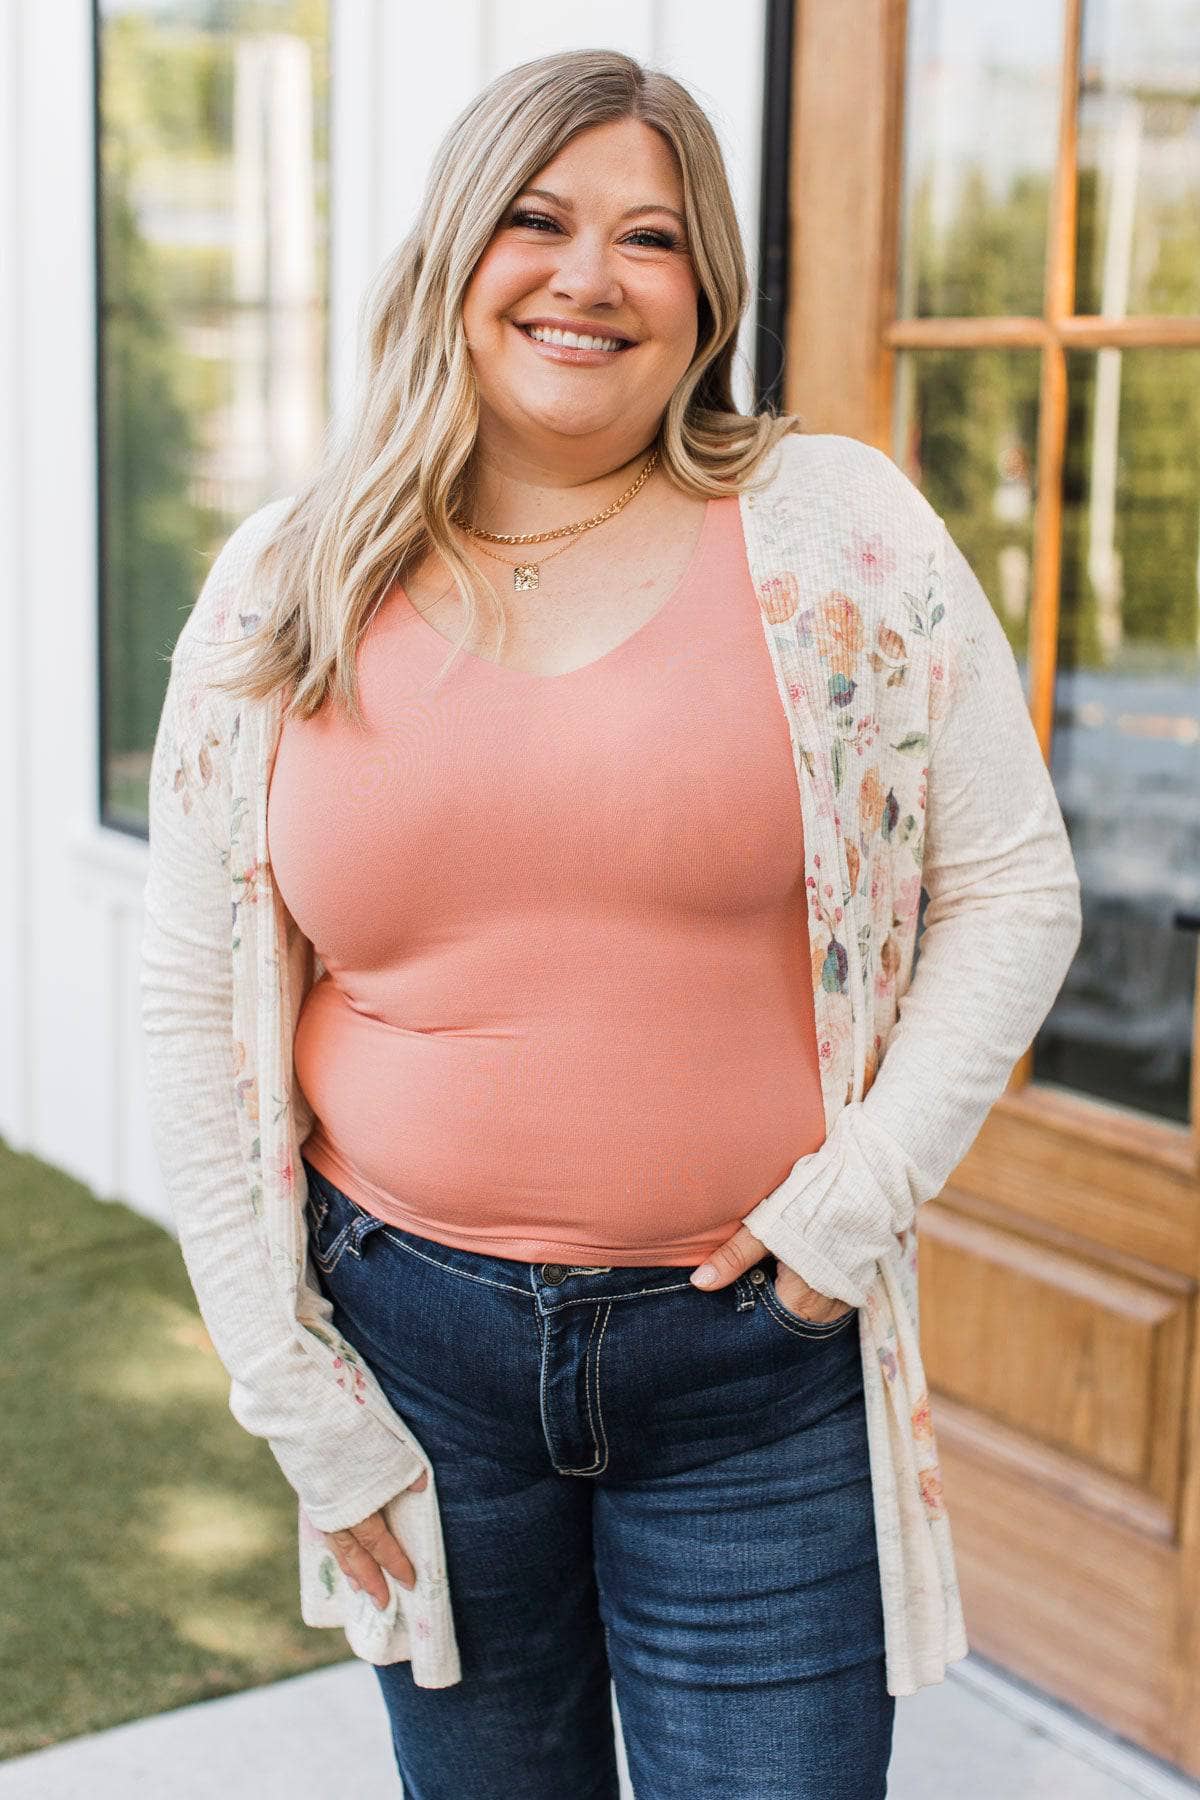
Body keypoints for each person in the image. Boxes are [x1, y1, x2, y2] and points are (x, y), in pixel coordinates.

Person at [139, 46, 1082, 1800]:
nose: (590, 277)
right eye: (538, 219)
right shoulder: (289, 579)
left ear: (706, 292)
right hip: (410, 1360)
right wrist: (294, 1398)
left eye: (650, 237)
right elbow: (195, 1001)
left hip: (755, 1374)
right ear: (455, 251)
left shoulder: (835, 531)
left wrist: (851, 1212)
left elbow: (1016, 887)